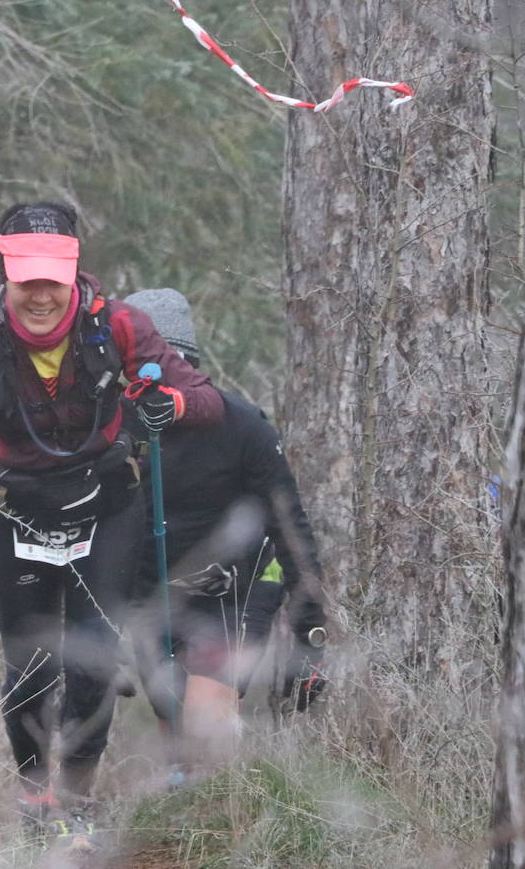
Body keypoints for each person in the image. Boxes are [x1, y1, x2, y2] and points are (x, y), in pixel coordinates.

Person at [0, 202, 223, 831]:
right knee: (30, 668)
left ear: (75, 271)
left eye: (54, 277)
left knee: (93, 662)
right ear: (6, 273)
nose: (41, 295)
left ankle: (77, 799)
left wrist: (170, 406)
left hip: (105, 510)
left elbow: (205, 400)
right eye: (28, 279)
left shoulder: (121, 327)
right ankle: (33, 798)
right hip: (16, 512)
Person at [121, 288, 329, 764]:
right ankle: (185, 823)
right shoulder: (113, 426)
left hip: (235, 590)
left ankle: (217, 818)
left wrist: (309, 634)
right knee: (173, 726)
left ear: (191, 364)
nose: (158, 380)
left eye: (174, 364)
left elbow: (290, 527)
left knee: (203, 726)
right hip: (151, 593)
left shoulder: (241, 426)